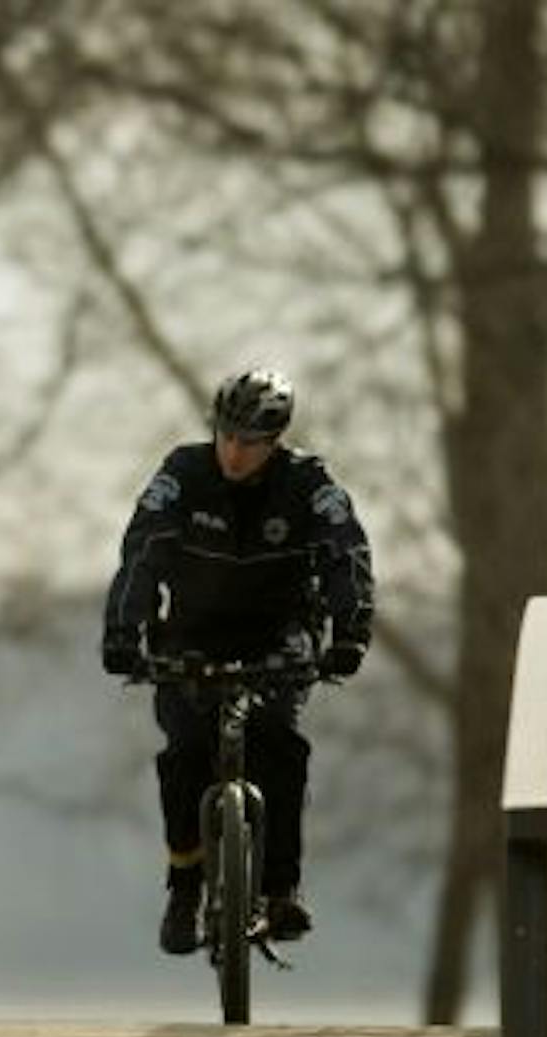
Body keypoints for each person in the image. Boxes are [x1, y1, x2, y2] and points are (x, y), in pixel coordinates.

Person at [100, 366, 374, 956]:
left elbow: (345, 554)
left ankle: (280, 888)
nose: (233, 451)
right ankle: (185, 882)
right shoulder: (181, 474)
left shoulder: (308, 484)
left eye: (249, 442)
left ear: (274, 442)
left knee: (279, 740)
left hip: (279, 638)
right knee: (184, 752)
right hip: (192, 638)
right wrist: (124, 631)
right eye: (226, 435)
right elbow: (142, 551)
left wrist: (350, 633)